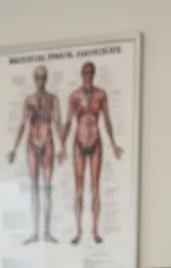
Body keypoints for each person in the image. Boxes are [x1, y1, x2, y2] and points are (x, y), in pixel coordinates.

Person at [60, 61, 123, 245]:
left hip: (96, 141)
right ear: (82, 74)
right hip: (78, 142)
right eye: (85, 72)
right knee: (79, 188)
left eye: (91, 72)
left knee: (95, 187)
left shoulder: (101, 95)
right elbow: (68, 122)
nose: (88, 75)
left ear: (94, 74)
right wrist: (62, 146)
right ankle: (79, 232)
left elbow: (107, 120)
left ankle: (95, 230)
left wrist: (114, 144)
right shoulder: (75, 96)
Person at [7, 65, 64, 244]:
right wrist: (14, 149)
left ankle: (46, 231)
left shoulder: (53, 99)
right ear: (34, 79)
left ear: (46, 79)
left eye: (43, 77)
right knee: (33, 188)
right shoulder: (29, 100)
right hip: (32, 144)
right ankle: (34, 232)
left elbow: (58, 123)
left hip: (47, 143)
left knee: (46, 189)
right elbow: (23, 125)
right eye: (38, 77)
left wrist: (63, 147)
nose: (41, 81)